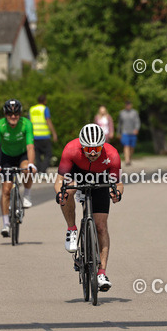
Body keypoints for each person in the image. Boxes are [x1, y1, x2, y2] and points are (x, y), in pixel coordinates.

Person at [55, 124, 124, 292]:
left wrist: (117, 194)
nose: (93, 153)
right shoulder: (71, 150)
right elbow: (59, 180)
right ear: (81, 146)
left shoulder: (112, 154)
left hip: (101, 178)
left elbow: (118, 183)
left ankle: (101, 273)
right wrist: (60, 194)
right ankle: (72, 229)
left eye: (97, 148)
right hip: (77, 174)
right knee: (67, 190)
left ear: (103, 145)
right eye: (88, 149)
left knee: (101, 227)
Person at [0, 99, 37, 235]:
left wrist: (31, 163)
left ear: (20, 114)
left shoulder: (26, 124)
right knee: (6, 189)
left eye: (16, 114)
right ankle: (5, 224)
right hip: (6, 157)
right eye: (10, 114)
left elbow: (30, 146)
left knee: (27, 170)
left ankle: (27, 194)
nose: (13, 116)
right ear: (5, 114)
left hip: (22, 155)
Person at [29, 94, 58, 173]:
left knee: (37, 155)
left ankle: (38, 170)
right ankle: (42, 170)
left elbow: (29, 122)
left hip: (34, 135)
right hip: (44, 135)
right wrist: (54, 133)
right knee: (48, 154)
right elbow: (48, 121)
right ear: (45, 101)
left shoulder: (32, 109)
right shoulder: (45, 109)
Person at [118, 100, 140, 166]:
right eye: (127, 105)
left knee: (131, 147)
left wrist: (136, 129)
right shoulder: (122, 113)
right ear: (125, 105)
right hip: (125, 132)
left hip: (133, 132)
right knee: (126, 146)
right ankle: (127, 160)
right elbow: (119, 124)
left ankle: (130, 158)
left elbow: (137, 122)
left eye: (129, 104)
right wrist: (118, 132)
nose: (128, 106)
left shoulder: (134, 113)